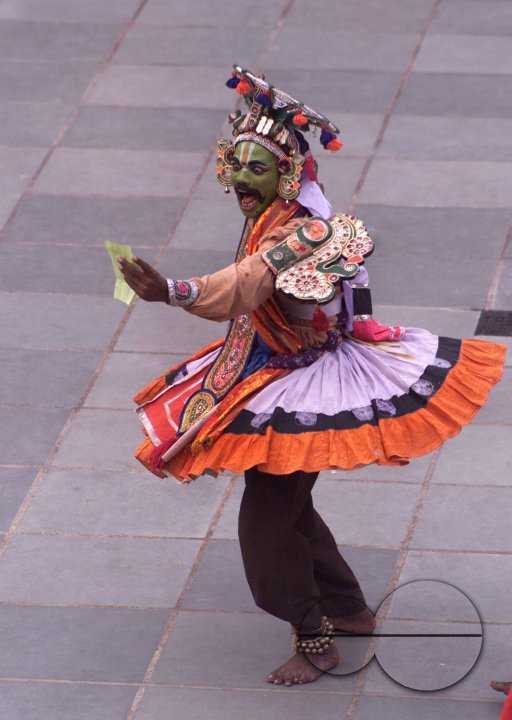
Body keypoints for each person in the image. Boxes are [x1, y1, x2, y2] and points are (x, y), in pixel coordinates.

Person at [119, 65, 506, 687]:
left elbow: (244, 284)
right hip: (263, 370)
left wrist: (172, 291)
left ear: (288, 173)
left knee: (265, 524)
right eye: (235, 164)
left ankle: (314, 635)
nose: (241, 178)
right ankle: (346, 607)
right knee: (289, 506)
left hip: (298, 387)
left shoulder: (305, 230)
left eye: (257, 167)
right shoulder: (272, 212)